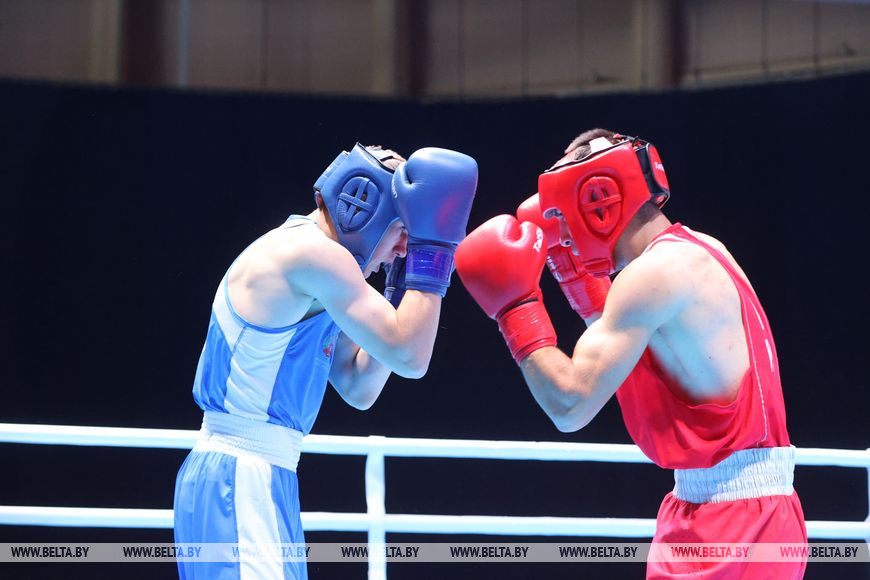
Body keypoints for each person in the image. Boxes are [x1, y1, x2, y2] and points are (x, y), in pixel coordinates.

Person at [455, 129, 806, 578]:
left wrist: (514, 307)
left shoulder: (655, 273)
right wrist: (577, 281)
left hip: (734, 522)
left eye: (563, 214)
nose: (562, 232)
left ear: (598, 201)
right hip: (717, 506)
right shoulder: (699, 249)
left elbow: (570, 404)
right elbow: (629, 353)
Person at [174, 143, 478, 579]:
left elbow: (359, 387)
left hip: (255, 475)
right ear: (364, 211)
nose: (402, 250)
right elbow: (412, 358)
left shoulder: (316, 270)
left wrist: (398, 295)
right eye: (402, 232)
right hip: (240, 475)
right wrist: (434, 252)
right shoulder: (313, 254)